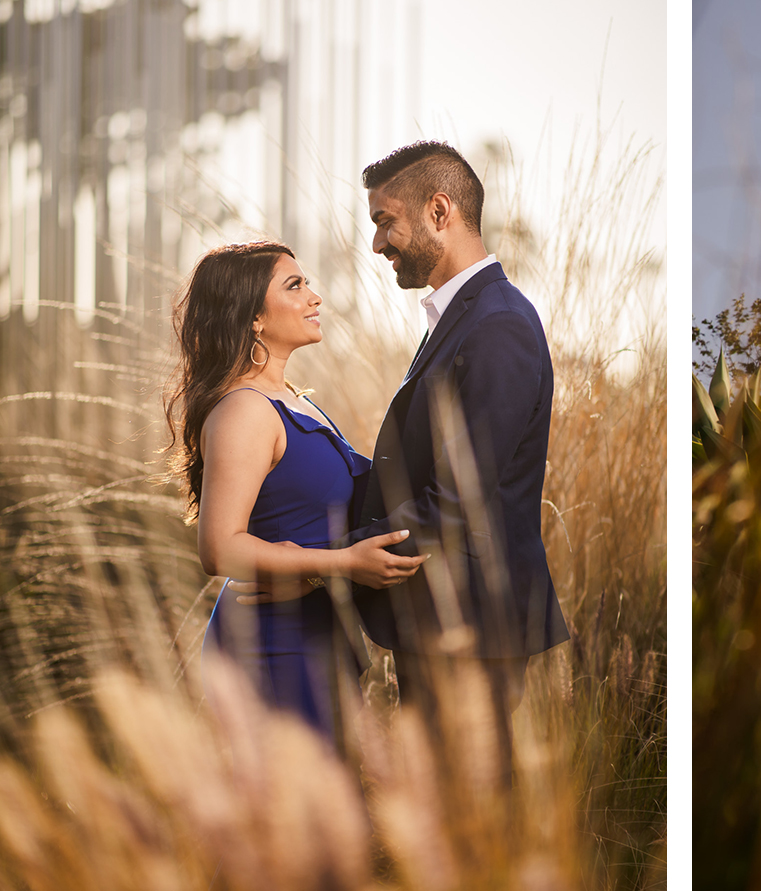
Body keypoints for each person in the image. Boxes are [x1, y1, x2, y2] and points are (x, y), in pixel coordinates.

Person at [346, 140, 569, 739]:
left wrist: (341, 560)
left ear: (439, 212)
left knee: (469, 816)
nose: (377, 244)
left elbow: (455, 497)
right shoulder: (463, 317)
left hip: (471, 627)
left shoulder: (496, 325)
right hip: (443, 617)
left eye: (384, 221)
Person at [169, 241, 426, 742]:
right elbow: (219, 546)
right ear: (253, 319)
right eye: (295, 285)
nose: (316, 297)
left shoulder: (290, 399)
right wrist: (344, 565)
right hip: (271, 644)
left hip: (313, 628)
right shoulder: (245, 409)